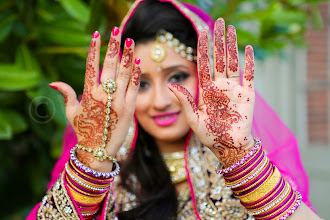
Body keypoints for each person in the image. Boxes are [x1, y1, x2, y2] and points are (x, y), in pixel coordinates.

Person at [28, 0, 322, 219]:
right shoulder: (105, 171)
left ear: (206, 76)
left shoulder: (251, 160)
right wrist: (92, 165)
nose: (160, 101)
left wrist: (240, 160)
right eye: (141, 84)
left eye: (178, 76)